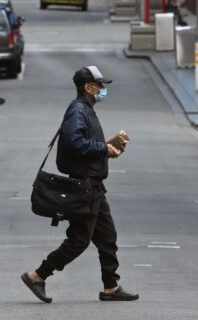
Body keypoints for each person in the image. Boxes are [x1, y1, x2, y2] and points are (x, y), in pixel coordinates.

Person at [21, 66, 138, 304]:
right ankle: (38, 275)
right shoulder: (78, 110)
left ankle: (111, 287)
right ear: (88, 87)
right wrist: (103, 148)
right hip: (85, 188)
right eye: (100, 85)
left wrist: (105, 148)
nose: (103, 89)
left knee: (107, 237)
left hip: (94, 186)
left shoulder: (85, 110)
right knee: (79, 239)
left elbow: (83, 143)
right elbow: (75, 143)